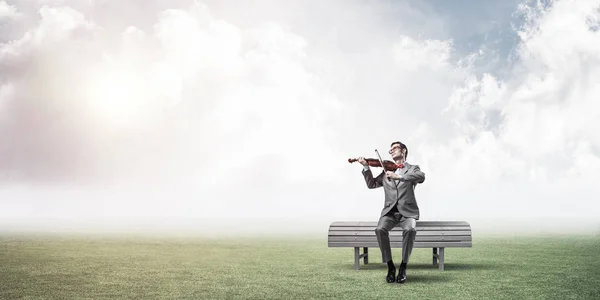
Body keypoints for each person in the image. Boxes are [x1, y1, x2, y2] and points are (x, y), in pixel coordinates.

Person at [357, 141, 425, 284]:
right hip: (390, 212)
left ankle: (403, 266)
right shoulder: (385, 171)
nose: (391, 151)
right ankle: (390, 266)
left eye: (395, 148)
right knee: (380, 229)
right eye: (390, 150)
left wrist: (399, 177)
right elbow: (371, 184)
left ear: (404, 150)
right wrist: (365, 166)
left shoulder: (413, 169)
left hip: (408, 212)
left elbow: (421, 176)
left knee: (411, 229)